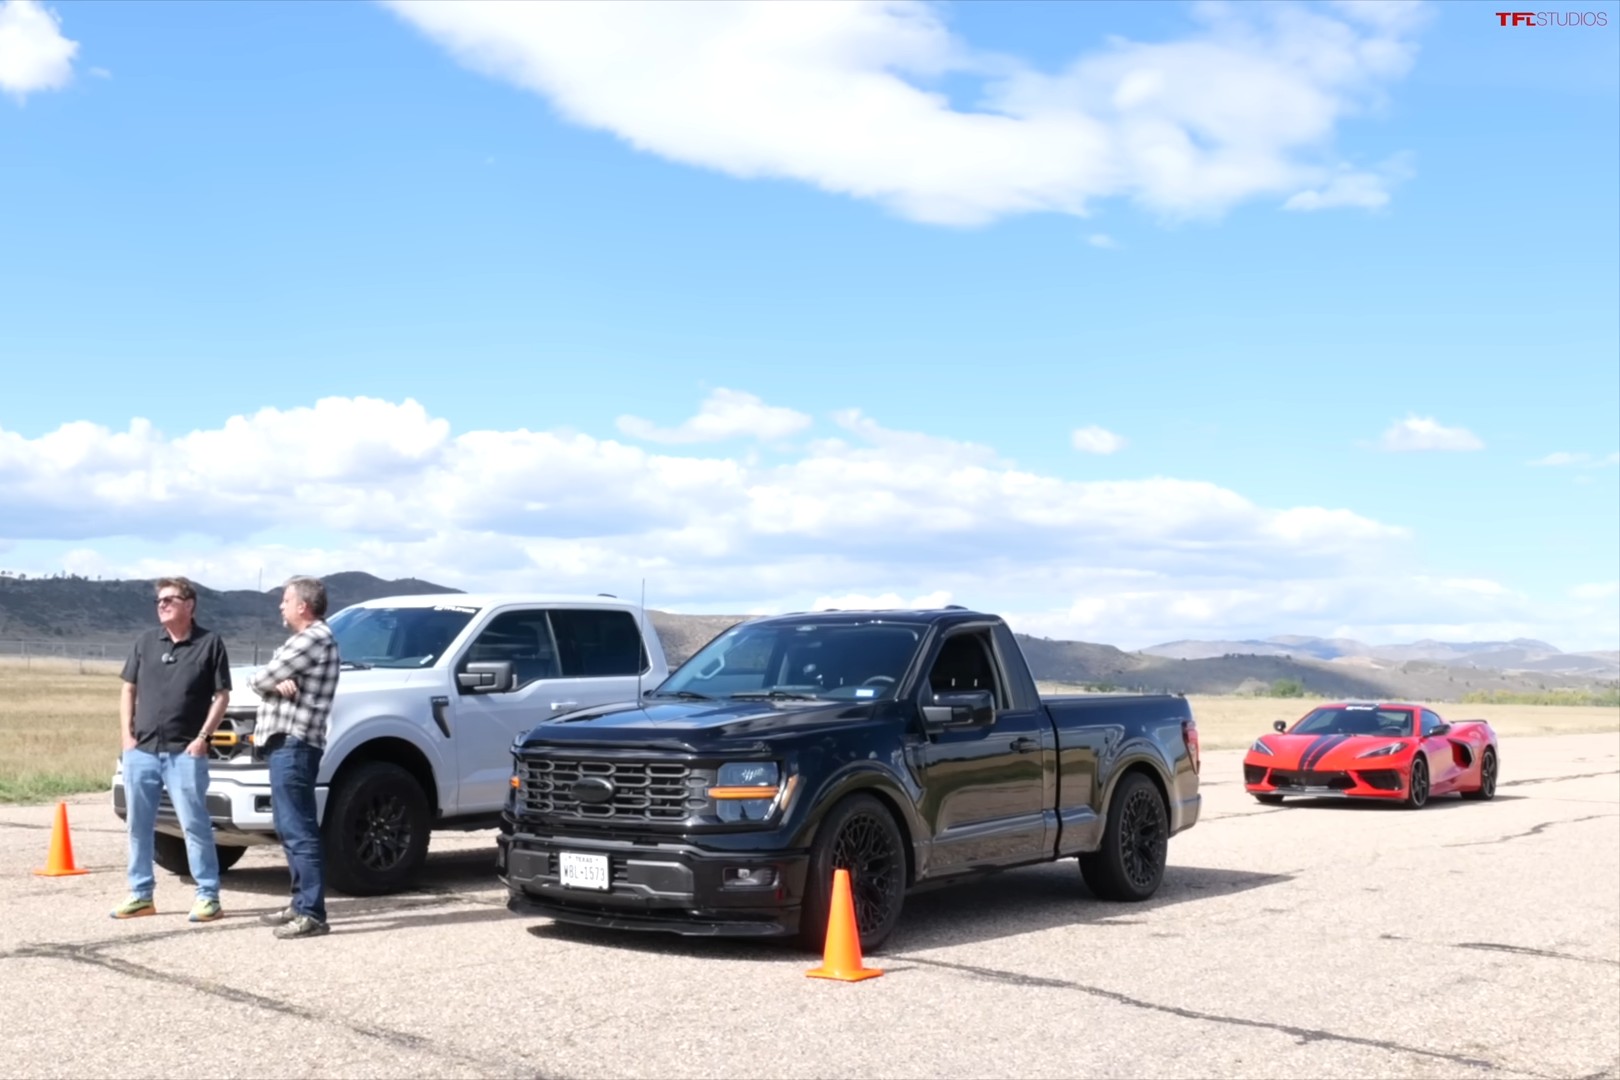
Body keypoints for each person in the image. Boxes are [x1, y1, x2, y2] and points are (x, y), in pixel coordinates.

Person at [112, 576, 232, 923]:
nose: (162, 605)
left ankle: (208, 896)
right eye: (159, 601)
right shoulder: (146, 642)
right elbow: (128, 690)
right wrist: (127, 738)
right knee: (138, 825)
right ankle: (140, 894)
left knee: (194, 824)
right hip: (142, 751)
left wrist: (203, 739)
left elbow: (221, 695)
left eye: (169, 599)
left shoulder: (209, 643)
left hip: (185, 753)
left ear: (189, 604)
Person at [251, 575, 341, 939]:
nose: (281, 606)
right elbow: (271, 677)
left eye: (285, 600)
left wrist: (270, 681)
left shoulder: (313, 638)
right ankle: (299, 902)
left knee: (299, 828)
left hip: (295, 743)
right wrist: (275, 681)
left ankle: (312, 913)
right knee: (289, 827)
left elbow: (260, 678)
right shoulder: (303, 641)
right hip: (285, 743)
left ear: (303, 606)